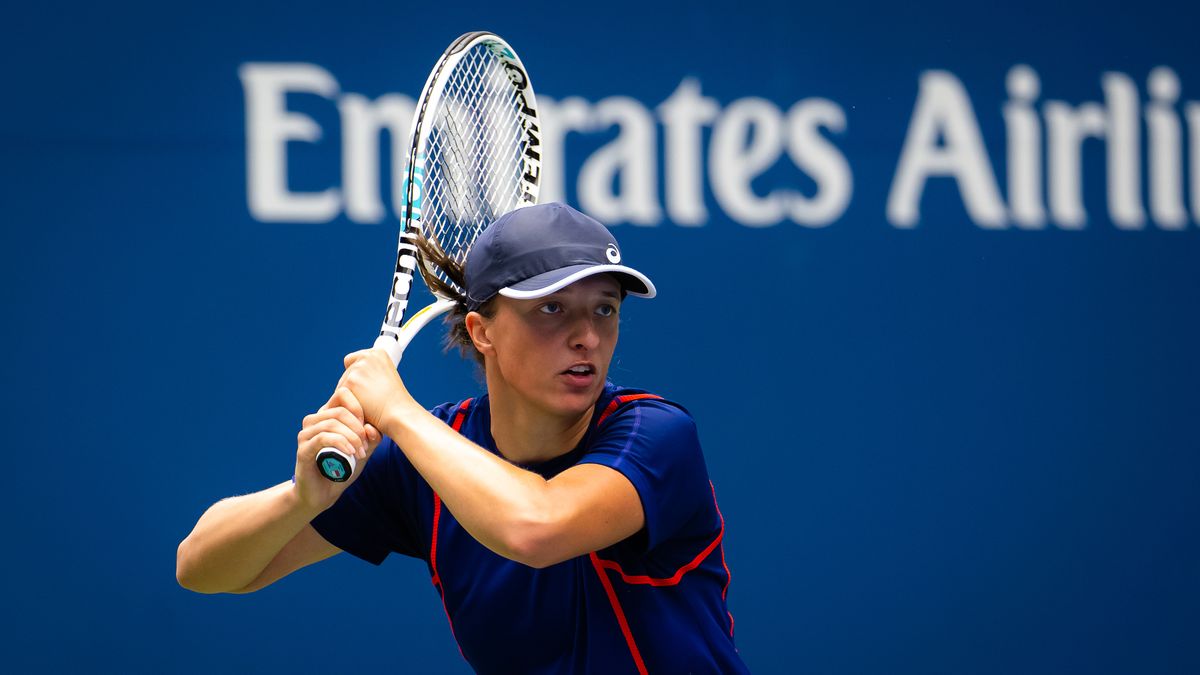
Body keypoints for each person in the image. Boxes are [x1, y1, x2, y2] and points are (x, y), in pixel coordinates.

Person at [177, 202, 748, 674]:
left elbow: (536, 527)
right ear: (482, 332)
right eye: (552, 308)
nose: (587, 338)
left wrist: (396, 410)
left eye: (605, 309)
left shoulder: (655, 434)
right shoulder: (426, 459)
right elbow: (202, 567)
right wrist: (300, 499)